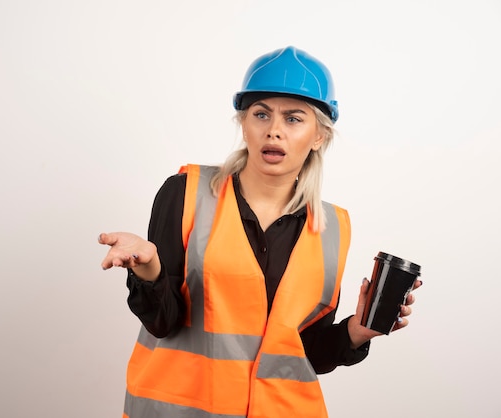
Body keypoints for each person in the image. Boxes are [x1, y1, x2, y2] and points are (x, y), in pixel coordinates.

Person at [98, 46, 422, 418]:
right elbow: (163, 322)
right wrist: (149, 268)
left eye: (294, 119)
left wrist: (357, 331)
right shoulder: (185, 194)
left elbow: (302, 355)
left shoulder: (332, 229)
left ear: (319, 136)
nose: (274, 131)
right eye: (261, 114)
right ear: (244, 124)